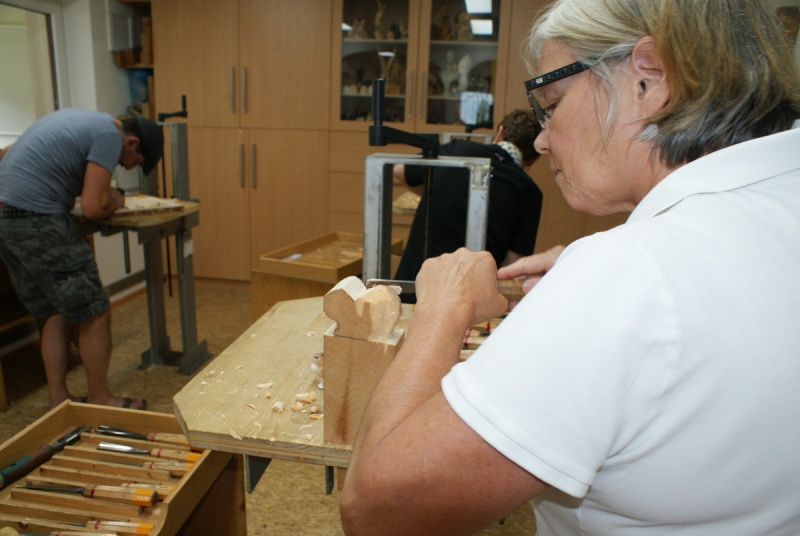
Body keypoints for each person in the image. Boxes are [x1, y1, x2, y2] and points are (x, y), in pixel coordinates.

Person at [339, 0, 800, 534]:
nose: (541, 138)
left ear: (649, 78)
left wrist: (442, 307)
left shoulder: (627, 275)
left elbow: (376, 511)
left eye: (552, 103)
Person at [0, 108, 164, 411]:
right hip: (37, 220)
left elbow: (9, 154)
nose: (128, 167)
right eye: (136, 161)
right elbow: (92, 207)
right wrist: (114, 200)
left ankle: (58, 398)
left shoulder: (76, 120)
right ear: (131, 143)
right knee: (94, 311)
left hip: (6, 219)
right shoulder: (108, 134)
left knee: (52, 310)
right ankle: (101, 398)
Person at [393, 109, 543, 302]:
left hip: (411, 288)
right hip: (467, 301)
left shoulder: (457, 150)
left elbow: (400, 170)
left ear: (500, 132)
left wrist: (434, 192)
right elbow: (512, 266)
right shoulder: (529, 192)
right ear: (534, 158)